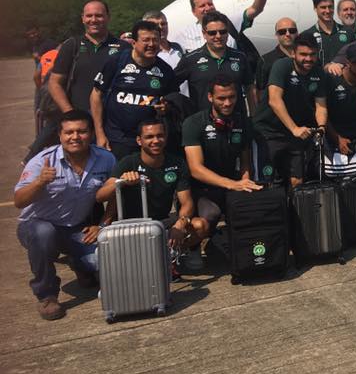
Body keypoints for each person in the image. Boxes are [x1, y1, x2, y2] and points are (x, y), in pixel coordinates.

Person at [14, 110, 116, 320]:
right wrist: (39, 182)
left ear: (91, 133)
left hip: (74, 228)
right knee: (44, 234)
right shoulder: (41, 162)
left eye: (81, 131)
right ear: (60, 136)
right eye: (69, 132)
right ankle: (47, 295)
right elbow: (19, 201)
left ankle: (79, 263)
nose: (75, 137)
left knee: (99, 263)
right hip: (36, 226)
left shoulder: (106, 159)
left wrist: (102, 225)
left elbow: (116, 193)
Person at [95, 119, 205, 272]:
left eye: (160, 136)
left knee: (200, 225)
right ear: (139, 140)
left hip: (161, 222)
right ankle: (159, 258)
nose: (156, 141)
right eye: (149, 137)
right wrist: (122, 181)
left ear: (166, 138)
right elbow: (100, 196)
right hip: (132, 226)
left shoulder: (177, 163)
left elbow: (186, 202)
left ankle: (171, 253)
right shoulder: (128, 162)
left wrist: (181, 223)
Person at [27, 0, 127, 161]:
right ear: (82, 18)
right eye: (89, 16)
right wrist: (70, 114)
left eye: (99, 15)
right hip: (79, 125)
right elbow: (55, 83)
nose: (93, 20)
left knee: (110, 168)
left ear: (108, 17)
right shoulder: (71, 46)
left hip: (112, 123)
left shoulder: (123, 48)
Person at [182, 77, 260, 244]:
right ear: (210, 97)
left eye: (231, 97)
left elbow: (245, 161)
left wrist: (245, 182)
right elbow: (196, 169)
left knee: (254, 208)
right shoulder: (194, 123)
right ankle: (192, 249)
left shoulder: (243, 122)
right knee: (209, 216)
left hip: (231, 186)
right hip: (202, 190)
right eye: (221, 98)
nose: (227, 103)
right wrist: (231, 184)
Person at [90, 20, 177, 160]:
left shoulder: (165, 70)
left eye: (155, 40)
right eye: (146, 40)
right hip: (116, 139)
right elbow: (96, 94)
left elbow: (172, 100)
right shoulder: (117, 61)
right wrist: (100, 134)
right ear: (134, 43)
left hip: (149, 142)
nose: (151, 44)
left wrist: (166, 107)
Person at [253, 35, 326, 186]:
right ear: (293, 53)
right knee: (268, 180)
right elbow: (274, 100)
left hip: (296, 132)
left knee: (297, 180)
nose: (308, 59)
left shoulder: (318, 73)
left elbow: (321, 106)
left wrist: (321, 127)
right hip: (269, 131)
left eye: (312, 54)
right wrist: (294, 128)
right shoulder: (282, 66)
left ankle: (295, 209)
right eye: (303, 54)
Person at [173, 0, 274, 52]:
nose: (208, 8)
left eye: (210, 4)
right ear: (194, 12)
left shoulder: (229, 22)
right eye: (202, 6)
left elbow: (255, 9)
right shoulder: (184, 35)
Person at [175, 11, 257, 116]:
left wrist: (253, 117)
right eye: (212, 33)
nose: (218, 36)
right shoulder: (190, 59)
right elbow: (171, 86)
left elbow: (250, 88)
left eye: (223, 32)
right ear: (204, 33)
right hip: (203, 124)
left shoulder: (240, 57)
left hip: (237, 122)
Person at [302, 0, 356, 66]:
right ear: (315, 8)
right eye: (323, 7)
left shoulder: (348, 32)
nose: (327, 11)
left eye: (330, 7)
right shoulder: (307, 35)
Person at [256, 18, 299, 92]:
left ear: (297, 33)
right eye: (282, 32)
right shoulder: (265, 61)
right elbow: (260, 92)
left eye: (292, 31)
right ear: (276, 34)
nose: (287, 34)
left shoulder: (307, 58)